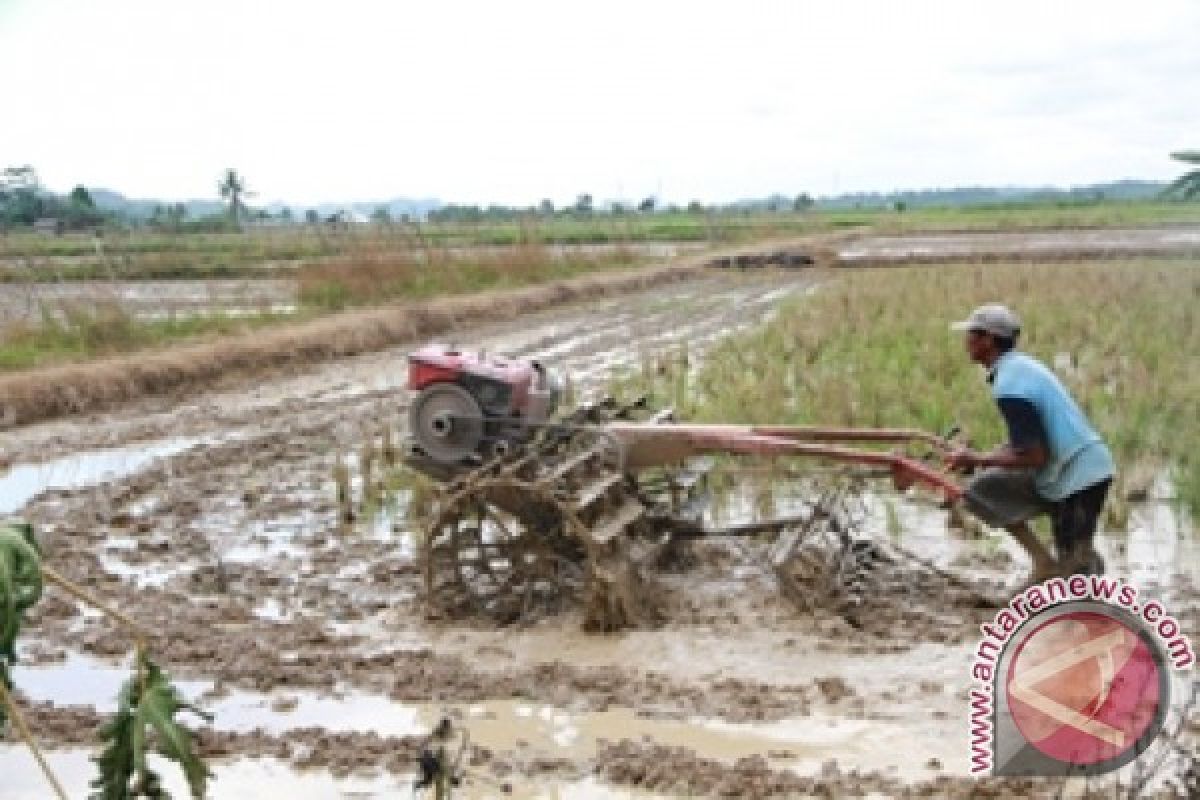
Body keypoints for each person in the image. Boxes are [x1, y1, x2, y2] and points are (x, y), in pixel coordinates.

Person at [945, 304, 1114, 582]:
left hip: (1080, 475)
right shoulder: (1020, 367)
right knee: (983, 490)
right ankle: (1043, 562)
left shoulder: (1010, 387)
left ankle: (1092, 606)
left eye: (972, 335)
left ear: (988, 340)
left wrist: (977, 459)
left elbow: (1035, 456)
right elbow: (1025, 443)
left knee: (1076, 571)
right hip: (1067, 468)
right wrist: (982, 460)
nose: (967, 342)